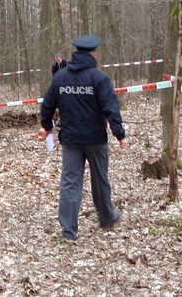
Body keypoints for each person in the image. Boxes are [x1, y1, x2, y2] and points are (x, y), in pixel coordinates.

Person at [40, 35, 128, 239]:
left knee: (70, 182)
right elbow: (111, 109)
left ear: (76, 52)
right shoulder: (99, 79)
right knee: (100, 180)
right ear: (93, 53)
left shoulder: (60, 79)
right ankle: (107, 216)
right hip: (95, 139)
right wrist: (120, 135)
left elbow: (47, 105)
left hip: (71, 140)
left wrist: (46, 126)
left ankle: (69, 230)